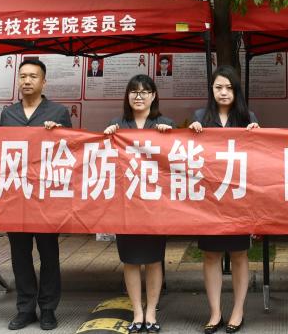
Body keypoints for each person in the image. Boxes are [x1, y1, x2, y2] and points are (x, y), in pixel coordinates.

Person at [0, 59, 71, 331]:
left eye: (33, 76)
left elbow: (71, 150)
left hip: (45, 196)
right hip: (16, 196)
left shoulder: (58, 112)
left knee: (49, 254)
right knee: (20, 255)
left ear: (44, 81)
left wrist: (59, 134)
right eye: (22, 76)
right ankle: (25, 308)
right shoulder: (8, 114)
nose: (27, 81)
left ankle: (48, 309)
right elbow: (2, 151)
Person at [188, 65, 259, 334]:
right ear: (212, 90)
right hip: (210, 198)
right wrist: (192, 132)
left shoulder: (248, 117)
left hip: (238, 197)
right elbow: (190, 152)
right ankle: (215, 312)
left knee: (239, 254)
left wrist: (257, 133)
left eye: (229, 87)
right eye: (219, 87)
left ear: (236, 90)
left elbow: (259, 156)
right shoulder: (200, 116)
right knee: (211, 254)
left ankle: (238, 311)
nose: (224, 92)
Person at [102, 75, 174, 334]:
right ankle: (137, 312)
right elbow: (106, 161)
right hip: (126, 203)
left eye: (145, 91)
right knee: (130, 260)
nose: (139, 96)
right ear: (127, 96)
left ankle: (151, 311)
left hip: (155, 204)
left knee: (154, 259)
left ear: (153, 96)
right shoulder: (117, 124)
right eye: (134, 91)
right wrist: (108, 137)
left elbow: (174, 161)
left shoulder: (165, 123)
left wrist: (168, 137)